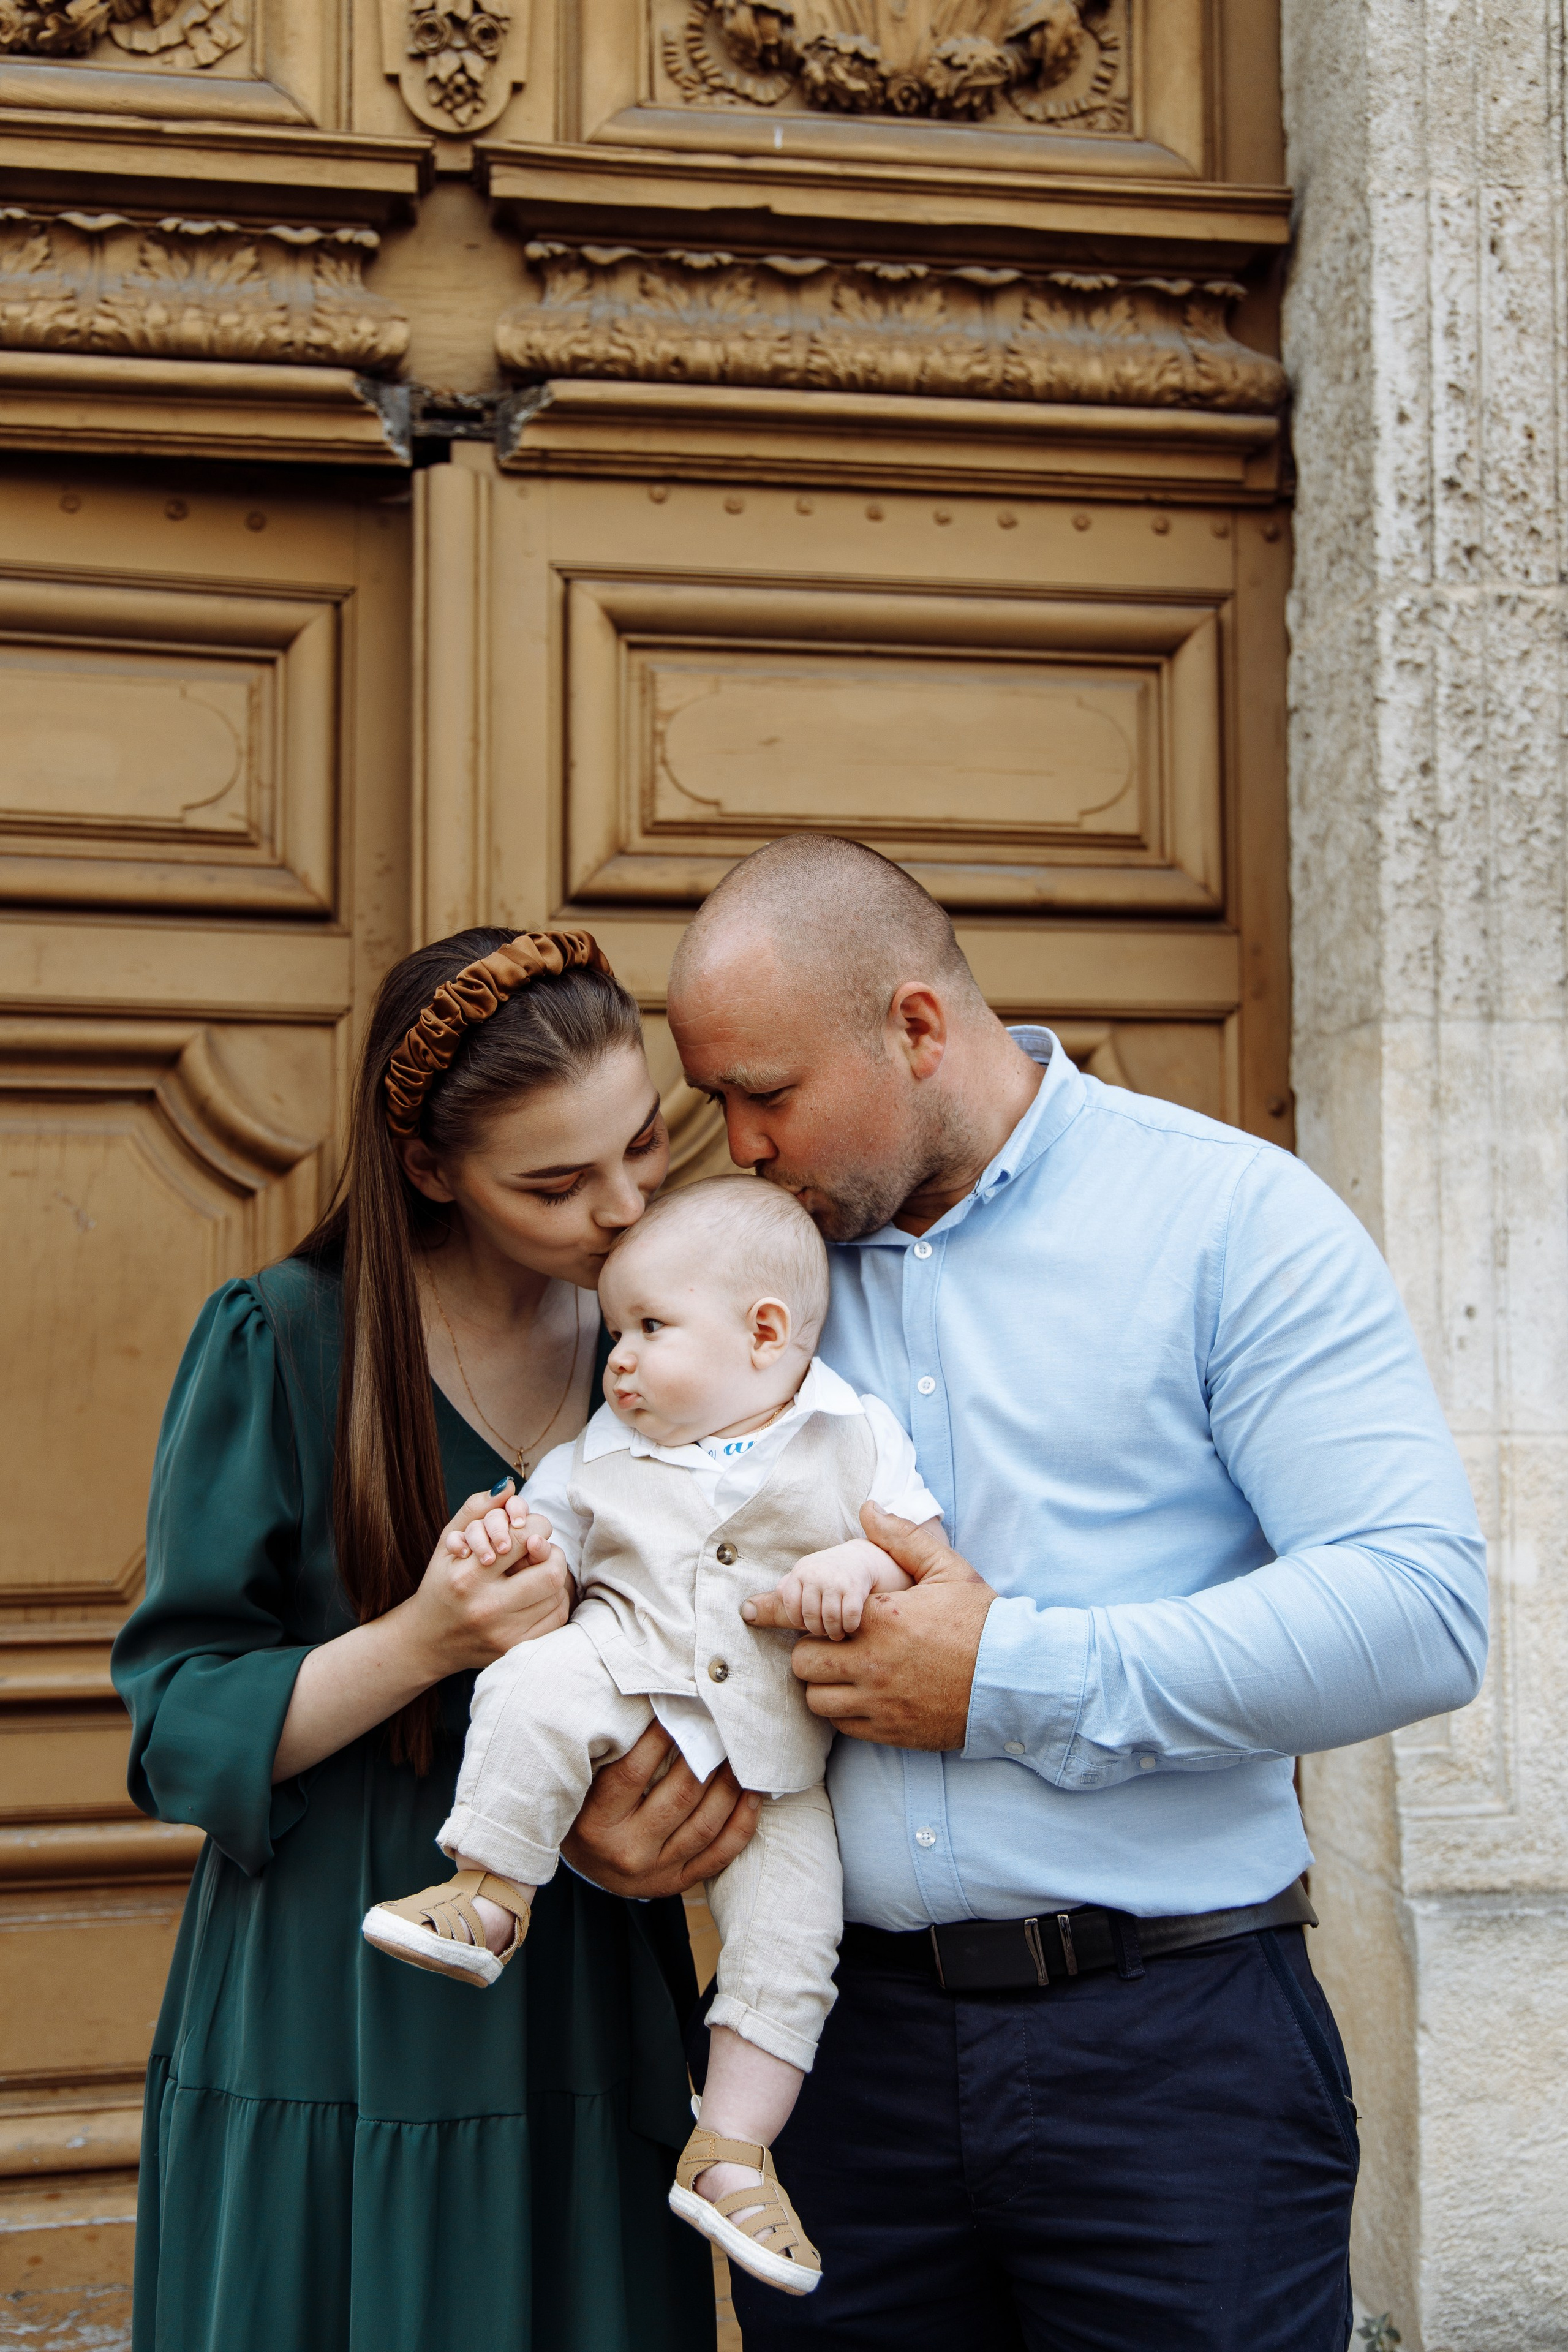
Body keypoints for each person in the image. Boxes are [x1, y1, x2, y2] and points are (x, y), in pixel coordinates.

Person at [664, 834, 1490, 2352]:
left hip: (1178, 2061)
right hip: (832, 2063)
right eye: (717, 1101)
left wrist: (1006, 1675)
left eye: (765, 1094)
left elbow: (1416, 1607)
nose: (740, 1145)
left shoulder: (1231, 1220)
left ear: (915, 1028)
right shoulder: (740, 1274)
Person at [111, 928, 758, 2352]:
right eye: (553, 1183)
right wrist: (424, 1637)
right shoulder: (282, 1341)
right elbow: (178, 1730)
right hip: (327, 1996)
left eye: (644, 1145)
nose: (624, 1205)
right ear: (427, 1171)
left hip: (583, 1983)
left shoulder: (668, 1347)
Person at [361, 1176, 943, 2297]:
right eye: (618, 1330)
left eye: (649, 1329)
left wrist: (855, 1569)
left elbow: (917, 1552)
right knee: (533, 1683)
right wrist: (512, 1543)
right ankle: (490, 1889)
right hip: (624, 1673)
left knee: (791, 1949)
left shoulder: (853, 1432)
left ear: (764, 1332)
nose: (617, 1357)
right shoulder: (603, 1446)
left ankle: (731, 2152)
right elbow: (556, 1539)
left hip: (775, 1763)